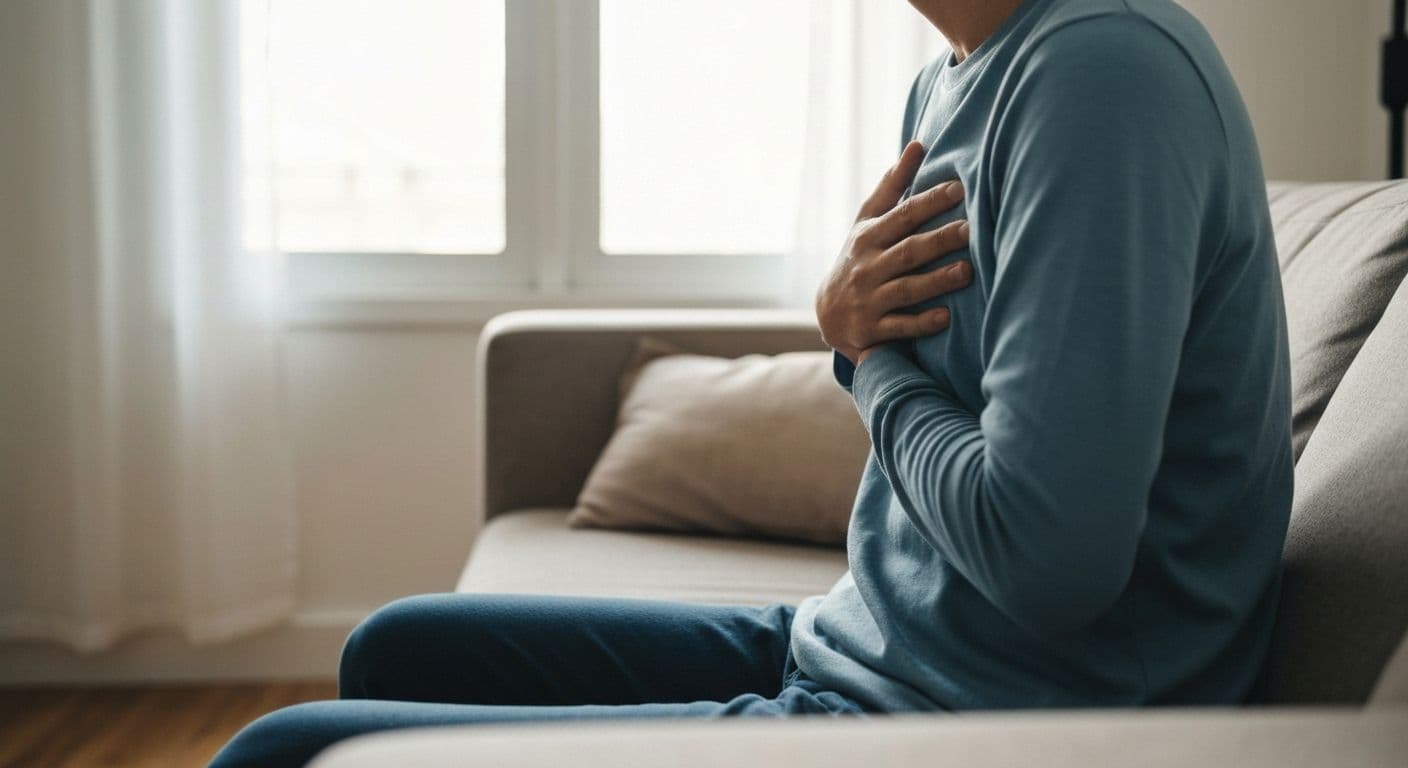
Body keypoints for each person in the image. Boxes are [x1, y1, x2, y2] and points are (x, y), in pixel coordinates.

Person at [211, 0, 1293, 764]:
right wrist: (865, 346)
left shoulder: (1104, 77)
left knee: (280, 753)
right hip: (857, 648)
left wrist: (860, 359)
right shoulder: (951, 80)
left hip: (978, 716)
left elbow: (1048, 559)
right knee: (394, 642)